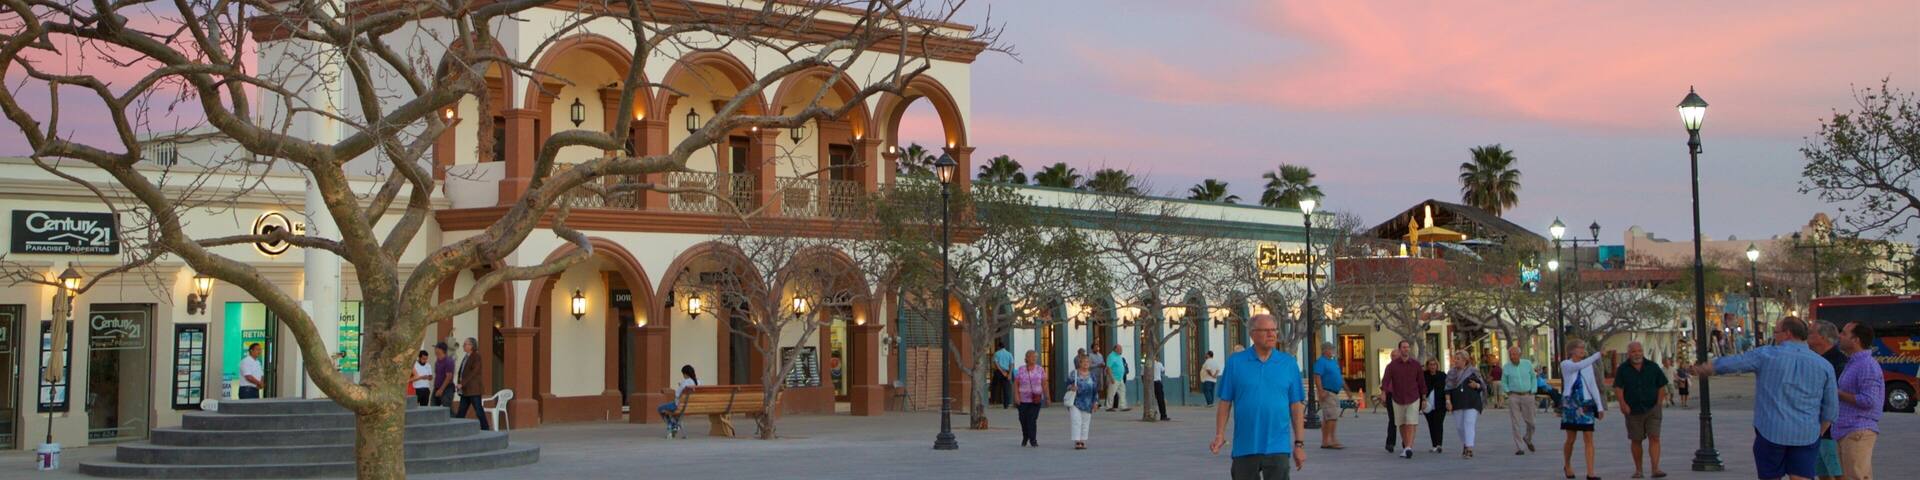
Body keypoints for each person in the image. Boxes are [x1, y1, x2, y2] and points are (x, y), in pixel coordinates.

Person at [1688, 317, 1837, 480]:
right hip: (1806, 434)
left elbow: (1737, 362)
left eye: (1776, 332)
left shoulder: (1766, 355)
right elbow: (1830, 408)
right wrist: (1818, 432)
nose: (1775, 337)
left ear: (1787, 333)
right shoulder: (1824, 365)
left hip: (1771, 431)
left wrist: (1710, 367)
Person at [1210, 314, 1306, 479]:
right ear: (1252, 334)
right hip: (1245, 446)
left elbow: (1296, 406)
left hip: (1278, 447)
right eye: (1265, 330)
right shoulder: (1236, 363)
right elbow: (1225, 403)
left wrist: (1299, 444)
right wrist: (1220, 435)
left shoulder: (1288, 364)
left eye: (1274, 330)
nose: (1271, 334)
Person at [1612, 341, 1669, 479]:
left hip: (1652, 408)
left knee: (1654, 437)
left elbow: (1662, 386)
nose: (1637, 354)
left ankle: (1655, 468)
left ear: (1642, 352)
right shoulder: (1623, 369)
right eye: (1633, 351)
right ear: (1629, 353)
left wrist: (1658, 404)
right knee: (1636, 440)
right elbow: (1618, 387)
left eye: (1639, 351)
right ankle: (1639, 470)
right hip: (1633, 410)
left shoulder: (1653, 367)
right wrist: (1622, 403)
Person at [1835, 322, 1882, 480]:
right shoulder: (1854, 363)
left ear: (1856, 340)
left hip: (1858, 429)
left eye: (1844, 333)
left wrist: (1838, 393)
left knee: (1857, 476)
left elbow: (1869, 400)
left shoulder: (1867, 365)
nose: (1839, 336)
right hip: (1845, 429)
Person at [1560, 339, 1607, 480]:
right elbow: (1578, 366)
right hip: (1571, 404)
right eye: (1579, 348)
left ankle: (1590, 472)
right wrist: (1598, 354)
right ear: (1572, 350)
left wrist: (1599, 406)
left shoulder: (1588, 366)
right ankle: (1567, 464)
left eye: (1583, 348)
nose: (1582, 350)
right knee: (1571, 438)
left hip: (1585, 403)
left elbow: (1593, 386)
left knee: (1588, 437)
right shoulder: (1566, 364)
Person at [1809, 320, 1850, 480]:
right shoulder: (1816, 358)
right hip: (1816, 427)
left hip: (1832, 429)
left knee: (1838, 472)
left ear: (1823, 338)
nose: (1808, 336)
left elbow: (1835, 394)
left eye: (1812, 333)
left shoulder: (1837, 361)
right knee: (1822, 472)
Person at [1380, 340, 1426, 459]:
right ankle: (1406, 446)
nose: (1406, 349)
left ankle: (1409, 447)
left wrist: (1424, 398)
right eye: (1404, 347)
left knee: (1411, 422)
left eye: (1407, 347)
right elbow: (1385, 380)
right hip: (1397, 397)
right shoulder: (1392, 366)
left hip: (1413, 397)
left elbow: (1421, 382)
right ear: (1400, 349)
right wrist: (1383, 393)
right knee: (1401, 423)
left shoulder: (1415, 365)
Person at [1447, 350, 1485, 459]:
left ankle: (1469, 448)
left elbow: (1483, 386)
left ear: (1465, 360)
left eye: (1458, 359)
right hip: (1457, 402)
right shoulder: (1451, 373)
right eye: (1455, 358)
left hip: (1472, 401)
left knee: (1469, 423)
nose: (1456, 361)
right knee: (1459, 426)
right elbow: (1447, 389)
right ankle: (1465, 443)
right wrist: (1448, 401)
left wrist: (1476, 385)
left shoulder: (1474, 371)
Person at [1502, 347, 1538, 455]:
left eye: (1514, 354)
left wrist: (1533, 390)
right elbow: (1504, 381)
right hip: (1514, 396)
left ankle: (1528, 438)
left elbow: (1533, 377)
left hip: (1528, 395)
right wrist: (1507, 391)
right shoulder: (1506, 367)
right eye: (1510, 355)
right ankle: (1520, 447)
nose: (1512, 357)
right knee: (1515, 422)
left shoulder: (1527, 364)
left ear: (1519, 355)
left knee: (1531, 422)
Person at [452, 338, 491, 430]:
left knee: (478, 410)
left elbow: (473, 372)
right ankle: (456, 429)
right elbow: (462, 372)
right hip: (465, 390)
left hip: (473, 389)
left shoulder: (476, 356)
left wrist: (462, 383)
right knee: (461, 411)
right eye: (464, 344)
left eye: (466, 344)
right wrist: (460, 384)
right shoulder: (466, 356)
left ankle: (485, 428)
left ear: (472, 346)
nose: (463, 346)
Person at [1310, 344, 1344, 449]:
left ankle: (1325, 441)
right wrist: (1321, 391)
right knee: (1332, 417)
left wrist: (1347, 390)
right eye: (1331, 349)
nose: (1333, 351)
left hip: (1334, 392)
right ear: (1325, 350)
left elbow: (1338, 376)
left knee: (1327, 418)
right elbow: (1317, 376)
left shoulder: (1333, 362)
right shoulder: (1321, 362)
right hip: (1327, 392)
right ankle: (1332, 440)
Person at [1066, 353, 1101, 450]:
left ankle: (1083, 440)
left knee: (1086, 421)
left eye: (1088, 362)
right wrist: (1072, 387)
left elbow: (1095, 390)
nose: (1086, 363)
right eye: (1084, 362)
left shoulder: (1093, 375)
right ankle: (1077, 441)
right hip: (1075, 402)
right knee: (1076, 420)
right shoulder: (1074, 373)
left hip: (1088, 402)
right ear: (1079, 363)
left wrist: (1096, 402)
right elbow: (1067, 385)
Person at [1015, 350, 1049, 447]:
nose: (1034, 359)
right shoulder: (1020, 369)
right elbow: (1016, 384)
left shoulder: (1040, 369)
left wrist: (1047, 397)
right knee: (1023, 419)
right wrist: (1016, 396)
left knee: (1032, 419)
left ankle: (1033, 439)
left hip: (1036, 399)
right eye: (1032, 357)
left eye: (1035, 357)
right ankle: (1025, 436)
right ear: (1027, 358)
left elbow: (1044, 384)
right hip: (1023, 400)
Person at [658, 365, 698, 438]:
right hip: (691, 407)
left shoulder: (685, 382)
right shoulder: (698, 382)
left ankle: (672, 425)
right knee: (675, 414)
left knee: (660, 408)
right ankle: (675, 424)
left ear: (685, 374)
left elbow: (677, 395)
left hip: (678, 406)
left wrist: (680, 386)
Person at [1421, 357, 1449, 454]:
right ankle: (1434, 445)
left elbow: (1447, 389)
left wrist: (1448, 401)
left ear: (1437, 365)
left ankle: (1439, 445)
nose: (1432, 366)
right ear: (1427, 366)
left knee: (1439, 423)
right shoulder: (1424, 376)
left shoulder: (1442, 375)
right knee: (1431, 424)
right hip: (1427, 404)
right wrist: (1423, 400)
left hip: (1440, 404)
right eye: (1430, 364)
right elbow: (1421, 388)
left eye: (1434, 364)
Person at [1106, 344, 1131, 412]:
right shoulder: (1111, 356)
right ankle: (1109, 406)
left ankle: (1122, 406)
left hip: (1120, 378)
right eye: (1120, 349)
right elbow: (1108, 368)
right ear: (1115, 349)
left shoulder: (1119, 356)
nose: (1121, 350)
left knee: (1122, 392)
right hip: (1114, 377)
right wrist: (1111, 378)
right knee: (1111, 393)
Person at [432, 342, 455, 408]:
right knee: (433, 408)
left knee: (447, 410)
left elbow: (449, 377)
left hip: (447, 389)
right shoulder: (437, 361)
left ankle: (453, 418)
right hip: (437, 388)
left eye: (436, 348)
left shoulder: (448, 361)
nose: (435, 350)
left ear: (441, 350)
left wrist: (441, 390)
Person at [994, 343, 1015, 410]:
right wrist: (1009, 374)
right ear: (1004, 347)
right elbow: (1011, 364)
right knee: (1006, 388)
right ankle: (1006, 404)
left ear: (999, 347)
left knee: (996, 386)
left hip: (999, 372)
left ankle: (995, 400)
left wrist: (1002, 372)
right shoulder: (1009, 354)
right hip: (1007, 371)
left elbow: (996, 363)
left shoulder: (997, 353)